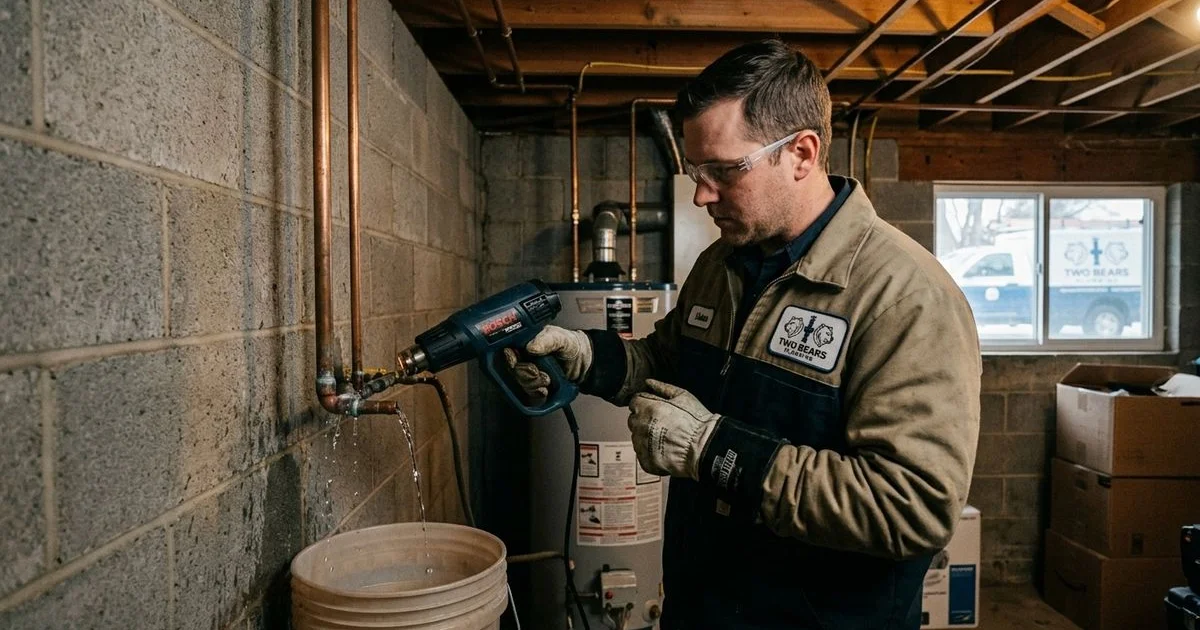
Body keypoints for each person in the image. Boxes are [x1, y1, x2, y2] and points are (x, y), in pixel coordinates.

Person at [506, 39, 981, 629]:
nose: (702, 194)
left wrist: (717, 453)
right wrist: (586, 357)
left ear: (802, 153)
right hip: (703, 604)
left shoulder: (904, 297)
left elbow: (913, 506)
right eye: (696, 172)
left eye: (724, 171)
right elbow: (667, 361)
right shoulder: (721, 265)